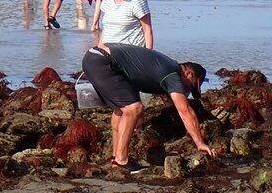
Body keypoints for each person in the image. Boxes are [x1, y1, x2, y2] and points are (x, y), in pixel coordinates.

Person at [81, 43, 213, 173]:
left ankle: (116, 158)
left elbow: (136, 74)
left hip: (95, 57)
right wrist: (200, 143)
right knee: (134, 108)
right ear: (189, 74)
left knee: (121, 110)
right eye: (190, 87)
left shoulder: (165, 66)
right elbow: (185, 111)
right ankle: (121, 160)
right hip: (102, 61)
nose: (186, 91)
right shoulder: (173, 74)